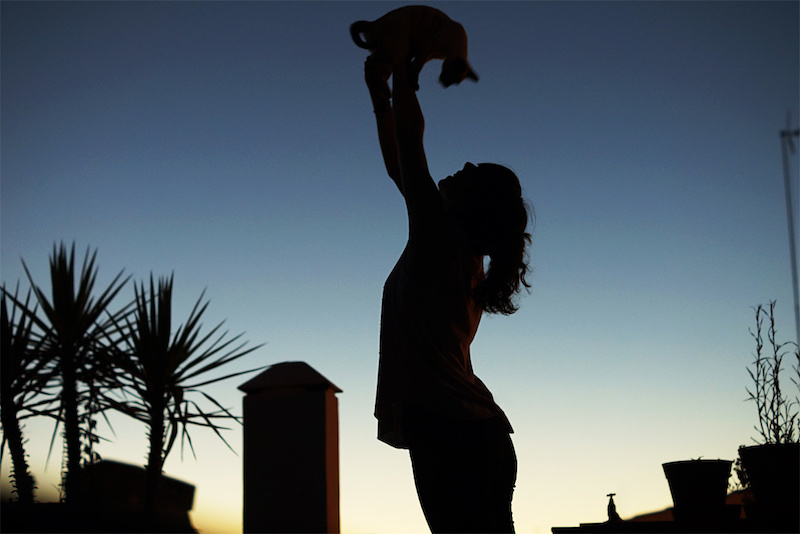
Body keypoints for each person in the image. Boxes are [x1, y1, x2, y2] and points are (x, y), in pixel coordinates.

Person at [364, 53, 532, 534]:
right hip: (463, 433)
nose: (460, 166)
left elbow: (411, 156)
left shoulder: (441, 243)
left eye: (471, 173)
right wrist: (382, 91)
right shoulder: (453, 253)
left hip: (453, 434)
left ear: (473, 203)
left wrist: (403, 79)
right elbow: (401, 165)